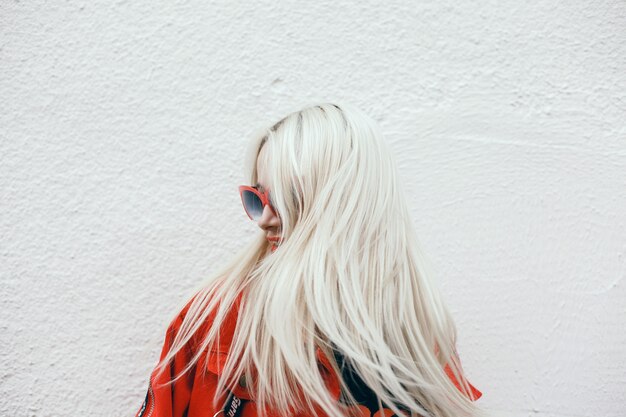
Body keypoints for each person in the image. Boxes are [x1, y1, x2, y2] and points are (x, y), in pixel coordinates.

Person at [134, 103, 482, 417]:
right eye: (257, 198)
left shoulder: (416, 333)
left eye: (286, 197)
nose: (264, 218)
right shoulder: (215, 318)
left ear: (344, 202)